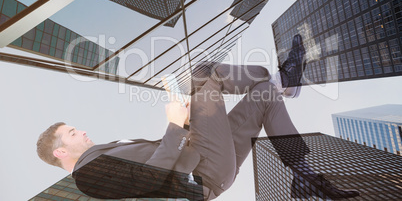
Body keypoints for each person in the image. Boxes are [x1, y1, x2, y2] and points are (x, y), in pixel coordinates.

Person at [37, 35, 359, 200]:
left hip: (209, 164)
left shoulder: (98, 159)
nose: (82, 132)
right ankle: (283, 79)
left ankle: (304, 177)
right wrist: (175, 125)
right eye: (73, 132)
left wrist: (187, 123)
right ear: (60, 151)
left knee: (264, 97)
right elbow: (149, 178)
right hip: (203, 171)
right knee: (205, 75)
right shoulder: (87, 174)